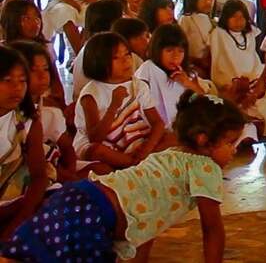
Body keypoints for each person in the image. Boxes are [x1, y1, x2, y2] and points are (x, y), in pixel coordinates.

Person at [0, 90, 245, 261]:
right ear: (203, 140)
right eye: (230, 143)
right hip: (93, 215)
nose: (234, 150)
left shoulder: (169, 154)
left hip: (81, 197)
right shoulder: (205, 168)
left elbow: (147, 226)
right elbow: (212, 229)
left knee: (28, 251)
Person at [74, 32, 167, 169]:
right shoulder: (91, 94)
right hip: (103, 144)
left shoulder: (138, 85)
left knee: (172, 137)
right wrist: (113, 106)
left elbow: (157, 122)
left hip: (133, 137)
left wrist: (146, 149)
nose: (126, 60)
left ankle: (136, 161)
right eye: (116, 57)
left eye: (127, 54)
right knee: (96, 151)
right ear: (99, 62)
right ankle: (132, 163)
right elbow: (95, 137)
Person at [14, 40, 87, 182]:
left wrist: (71, 173)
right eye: (33, 71)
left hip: (55, 169)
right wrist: (68, 178)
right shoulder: (14, 117)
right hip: (27, 176)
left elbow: (67, 149)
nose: (42, 76)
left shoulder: (49, 110)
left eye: (46, 69)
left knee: (101, 170)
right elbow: (32, 166)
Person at [0, 46, 49, 239]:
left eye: (22, 80)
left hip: (14, 199)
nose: (17, 87)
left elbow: (39, 177)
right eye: (7, 80)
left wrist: (19, 222)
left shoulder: (27, 122)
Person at [209, 0, 264, 107]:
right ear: (226, 18)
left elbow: (251, 57)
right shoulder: (219, 33)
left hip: (251, 77)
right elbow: (218, 58)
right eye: (234, 17)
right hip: (229, 79)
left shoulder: (249, 34)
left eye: (242, 17)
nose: (238, 21)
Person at [178, 0, 217, 75]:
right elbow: (180, 46)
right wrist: (196, 61)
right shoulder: (186, 20)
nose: (207, 1)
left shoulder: (215, 22)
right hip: (194, 66)